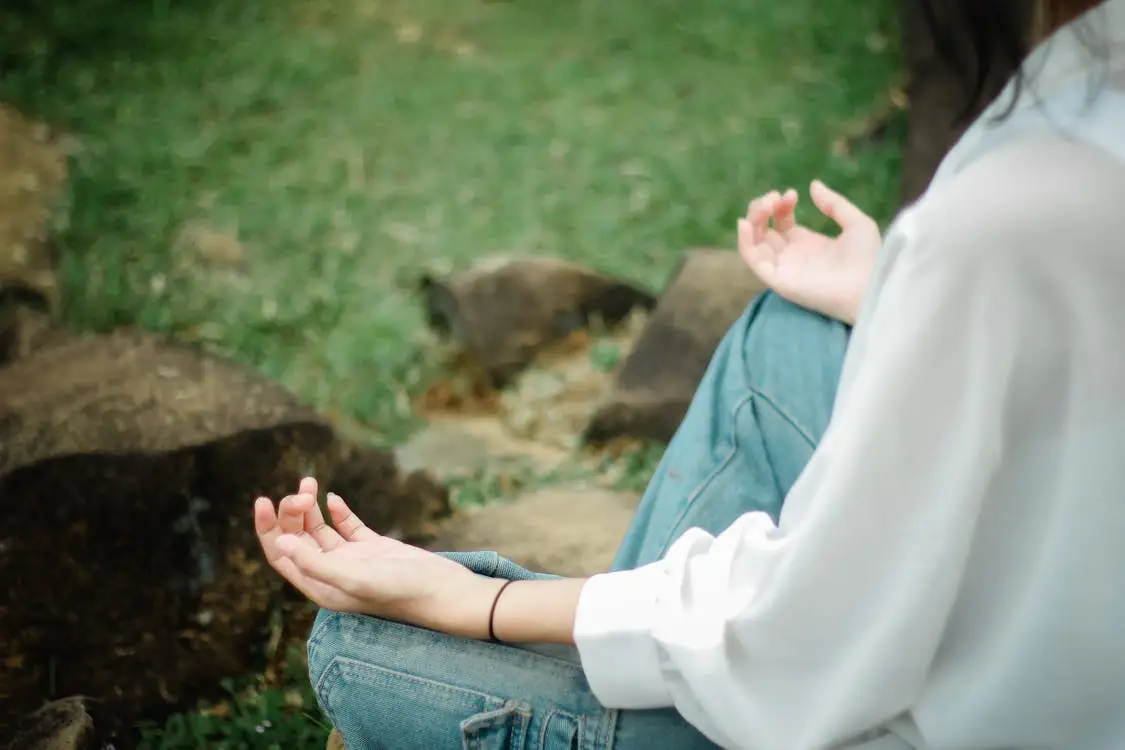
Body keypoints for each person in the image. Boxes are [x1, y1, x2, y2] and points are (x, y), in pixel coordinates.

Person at [254, 0, 1125, 747]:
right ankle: (616, 654)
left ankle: (601, 658)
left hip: (937, 713)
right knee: (784, 336)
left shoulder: (1011, 210)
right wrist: (896, 295)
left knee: (354, 651)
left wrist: (472, 602)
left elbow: (798, 626)